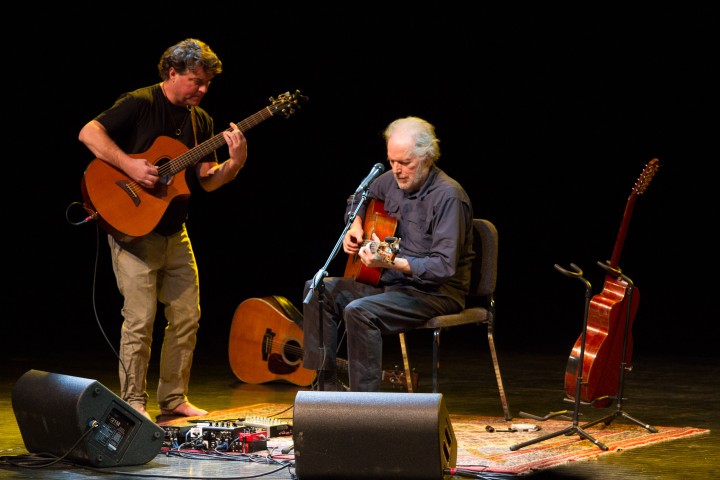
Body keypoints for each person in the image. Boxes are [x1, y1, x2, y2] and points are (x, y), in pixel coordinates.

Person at [78, 38, 248, 419]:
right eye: (195, 81)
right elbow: (89, 133)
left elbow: (206, 179)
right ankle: (133, 401)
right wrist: (130, 165)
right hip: (133, 231)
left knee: (188, 316)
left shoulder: (200, 121)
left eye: (207, 84)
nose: (202, 90)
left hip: (174, 230)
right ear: (172, 73)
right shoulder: (141, 102)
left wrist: (234, 165)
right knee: (140, 320)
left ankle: (173, 400)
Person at [301, 116, 474, 391]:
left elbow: (443, 267)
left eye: (405, 163)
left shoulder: (449, 197)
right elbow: (357, 198)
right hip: (392, 285)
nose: (397, 170)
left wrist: (391, 261)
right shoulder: (390, 181)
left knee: (359, 311)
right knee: (318, 288)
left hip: (433, 293)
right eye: (392, 162)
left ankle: (365, 404)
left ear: (427, 157)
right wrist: (354, 225)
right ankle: (325, 386)